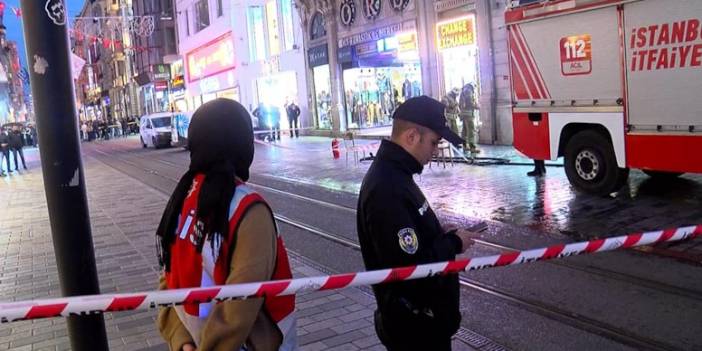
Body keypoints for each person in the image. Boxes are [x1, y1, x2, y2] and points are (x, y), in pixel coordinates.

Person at [155, 99, 297, 351]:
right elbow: (238, 309)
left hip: (192, 340)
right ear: (241, 144)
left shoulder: (182, 199)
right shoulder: (247, 209)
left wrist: (182, 341)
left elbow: (168, 279)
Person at [357, 96, 479, 351]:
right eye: (434, 143)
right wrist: (453, 243)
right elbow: (411, 269)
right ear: (412, 136)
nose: (435, 151)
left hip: (420, 322)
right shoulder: (387, 187)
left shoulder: (398, 175)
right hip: (415, 329)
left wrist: (436, 232)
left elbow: (408, 240)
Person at [459, 83, 480, 154]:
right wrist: (476, 106)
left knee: (464, 131)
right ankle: (472, 147)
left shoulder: (464, 90)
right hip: (468, 114)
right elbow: (470, 102)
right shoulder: (469, 91)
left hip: (464, 114)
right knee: (471, 130)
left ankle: (465, 146)